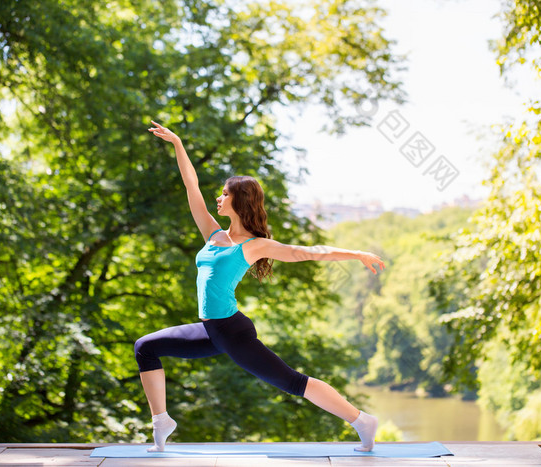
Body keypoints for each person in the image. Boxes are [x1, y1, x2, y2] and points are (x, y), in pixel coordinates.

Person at [134, 121, 385, 453]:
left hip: (232, 332)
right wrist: (178, 143)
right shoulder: (213, 235)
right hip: (211, 331)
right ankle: (162, 421)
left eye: (225, 193)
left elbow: (306, 253)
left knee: (293, 382)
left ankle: (361, 421)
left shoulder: (253, 245)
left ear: (240, 200)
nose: (218, 198)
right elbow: (190, 186)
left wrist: (355, 254)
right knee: (145, 347)